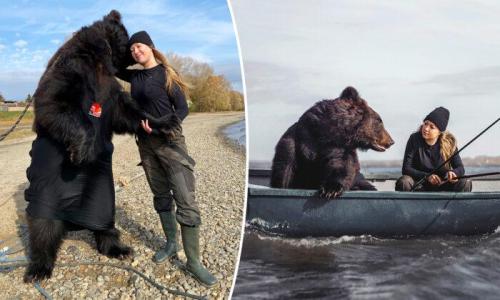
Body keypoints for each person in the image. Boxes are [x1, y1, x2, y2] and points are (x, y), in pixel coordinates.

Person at [117, 31, 217, 287]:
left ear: (150, 46)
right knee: (160, 195)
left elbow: (182, 109)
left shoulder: (167, 74)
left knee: (185, 200)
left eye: (139, 47)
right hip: (145, 145)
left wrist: (161, 126)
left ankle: (193, 262)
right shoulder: (135, 75)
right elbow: (111, 65)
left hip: (170, 142)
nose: (135, 52)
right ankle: (171, 243)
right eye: (132, 50)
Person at [395, 107, 472, 192]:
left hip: (443, 184)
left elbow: (460, 168)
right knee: (404, 181)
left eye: (432, 127)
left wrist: (454, 173)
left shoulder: (449, 143)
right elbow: (406, 169)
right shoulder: (414, 139)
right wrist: (427, 176)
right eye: (425, 123)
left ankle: (456, 205)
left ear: (440, 132)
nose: (426, 128)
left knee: (466, 181)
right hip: (420, 185)